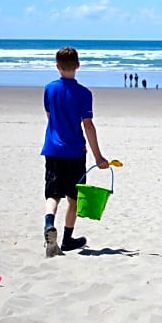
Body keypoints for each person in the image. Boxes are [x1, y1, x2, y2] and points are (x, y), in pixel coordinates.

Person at [41, 46, 110, 257]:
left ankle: (48, 225)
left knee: (53, 194)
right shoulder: (84, 93)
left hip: (53, 149)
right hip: (75, 152)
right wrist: (98, 156)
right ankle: (67, 239)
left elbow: (49, 114)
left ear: (57, 66)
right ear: (78, 66)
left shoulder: (50, 89)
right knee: (73, 197)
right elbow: (88, 125)